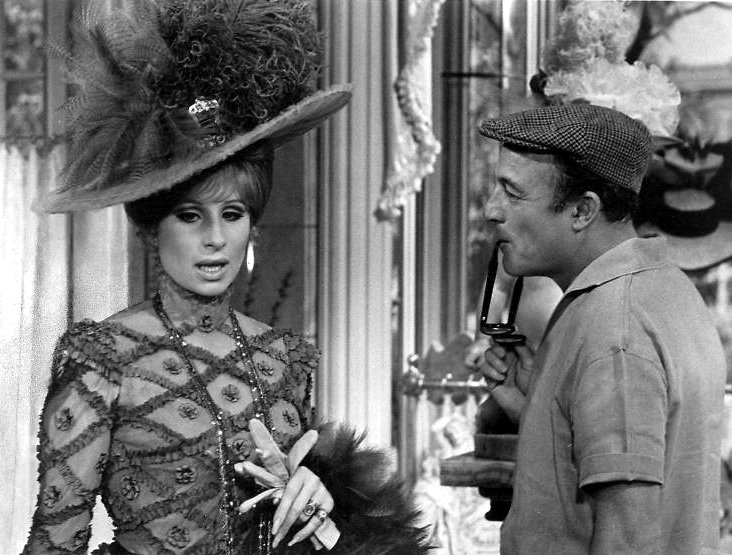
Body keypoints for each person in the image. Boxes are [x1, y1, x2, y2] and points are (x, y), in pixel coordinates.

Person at [22, 1, 429, 554]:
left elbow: (306, 526)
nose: (215, 238)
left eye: (232, 214)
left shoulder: (284, 358)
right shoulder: (103, 359)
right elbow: (55, 542)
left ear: (251, 224)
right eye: (191, 216)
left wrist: (322, 494)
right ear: (151, 228)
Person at [474, 103, 726, 555]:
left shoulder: (615, 329)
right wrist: (537, 408)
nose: (492, 210)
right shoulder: (658, 288)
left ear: (582, 210)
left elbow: (628, 536)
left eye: (512, 193)